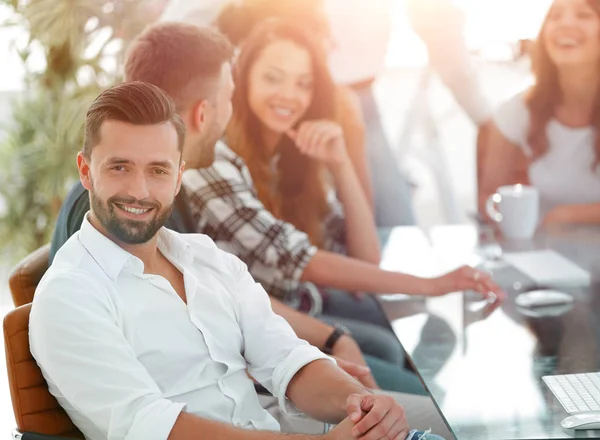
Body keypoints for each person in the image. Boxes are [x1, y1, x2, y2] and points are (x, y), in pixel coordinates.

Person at [31, 81, 446, 440]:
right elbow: (152, 428)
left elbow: (285, 357)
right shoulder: (70, 295)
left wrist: (362, 406)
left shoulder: (205, 258)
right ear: (86, 171)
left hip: (272, 426)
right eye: (119, 167)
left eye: (158, 171)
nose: (139, 190)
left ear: (178, 177)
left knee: (429, 419)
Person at [48, 23, 429, 395]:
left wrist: (315, 349)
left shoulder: (168, 197)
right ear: (203, 112)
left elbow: (225, 301)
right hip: (211, 391)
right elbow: (164, 361)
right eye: (230, 97)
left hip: (237, 370)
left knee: (385, 355)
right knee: (401, 390)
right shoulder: (131, 206)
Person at [183, 20, 502, 337]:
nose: (289, 96)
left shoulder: (289, 152)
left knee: (407, 324)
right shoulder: (214, 159)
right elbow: (301, 260)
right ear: (243, 78)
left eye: (303, 83)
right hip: (253, 331)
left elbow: (367, 257)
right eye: (272, 78)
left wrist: (341, 164)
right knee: (393, 335)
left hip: (299, 306)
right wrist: (433, 285)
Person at [479, 0, 600, 225]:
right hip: (544, 255)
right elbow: (488, 197)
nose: (565, 23)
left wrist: (569, 217)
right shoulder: (517, 111)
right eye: (554, 16)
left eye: (583, 15)